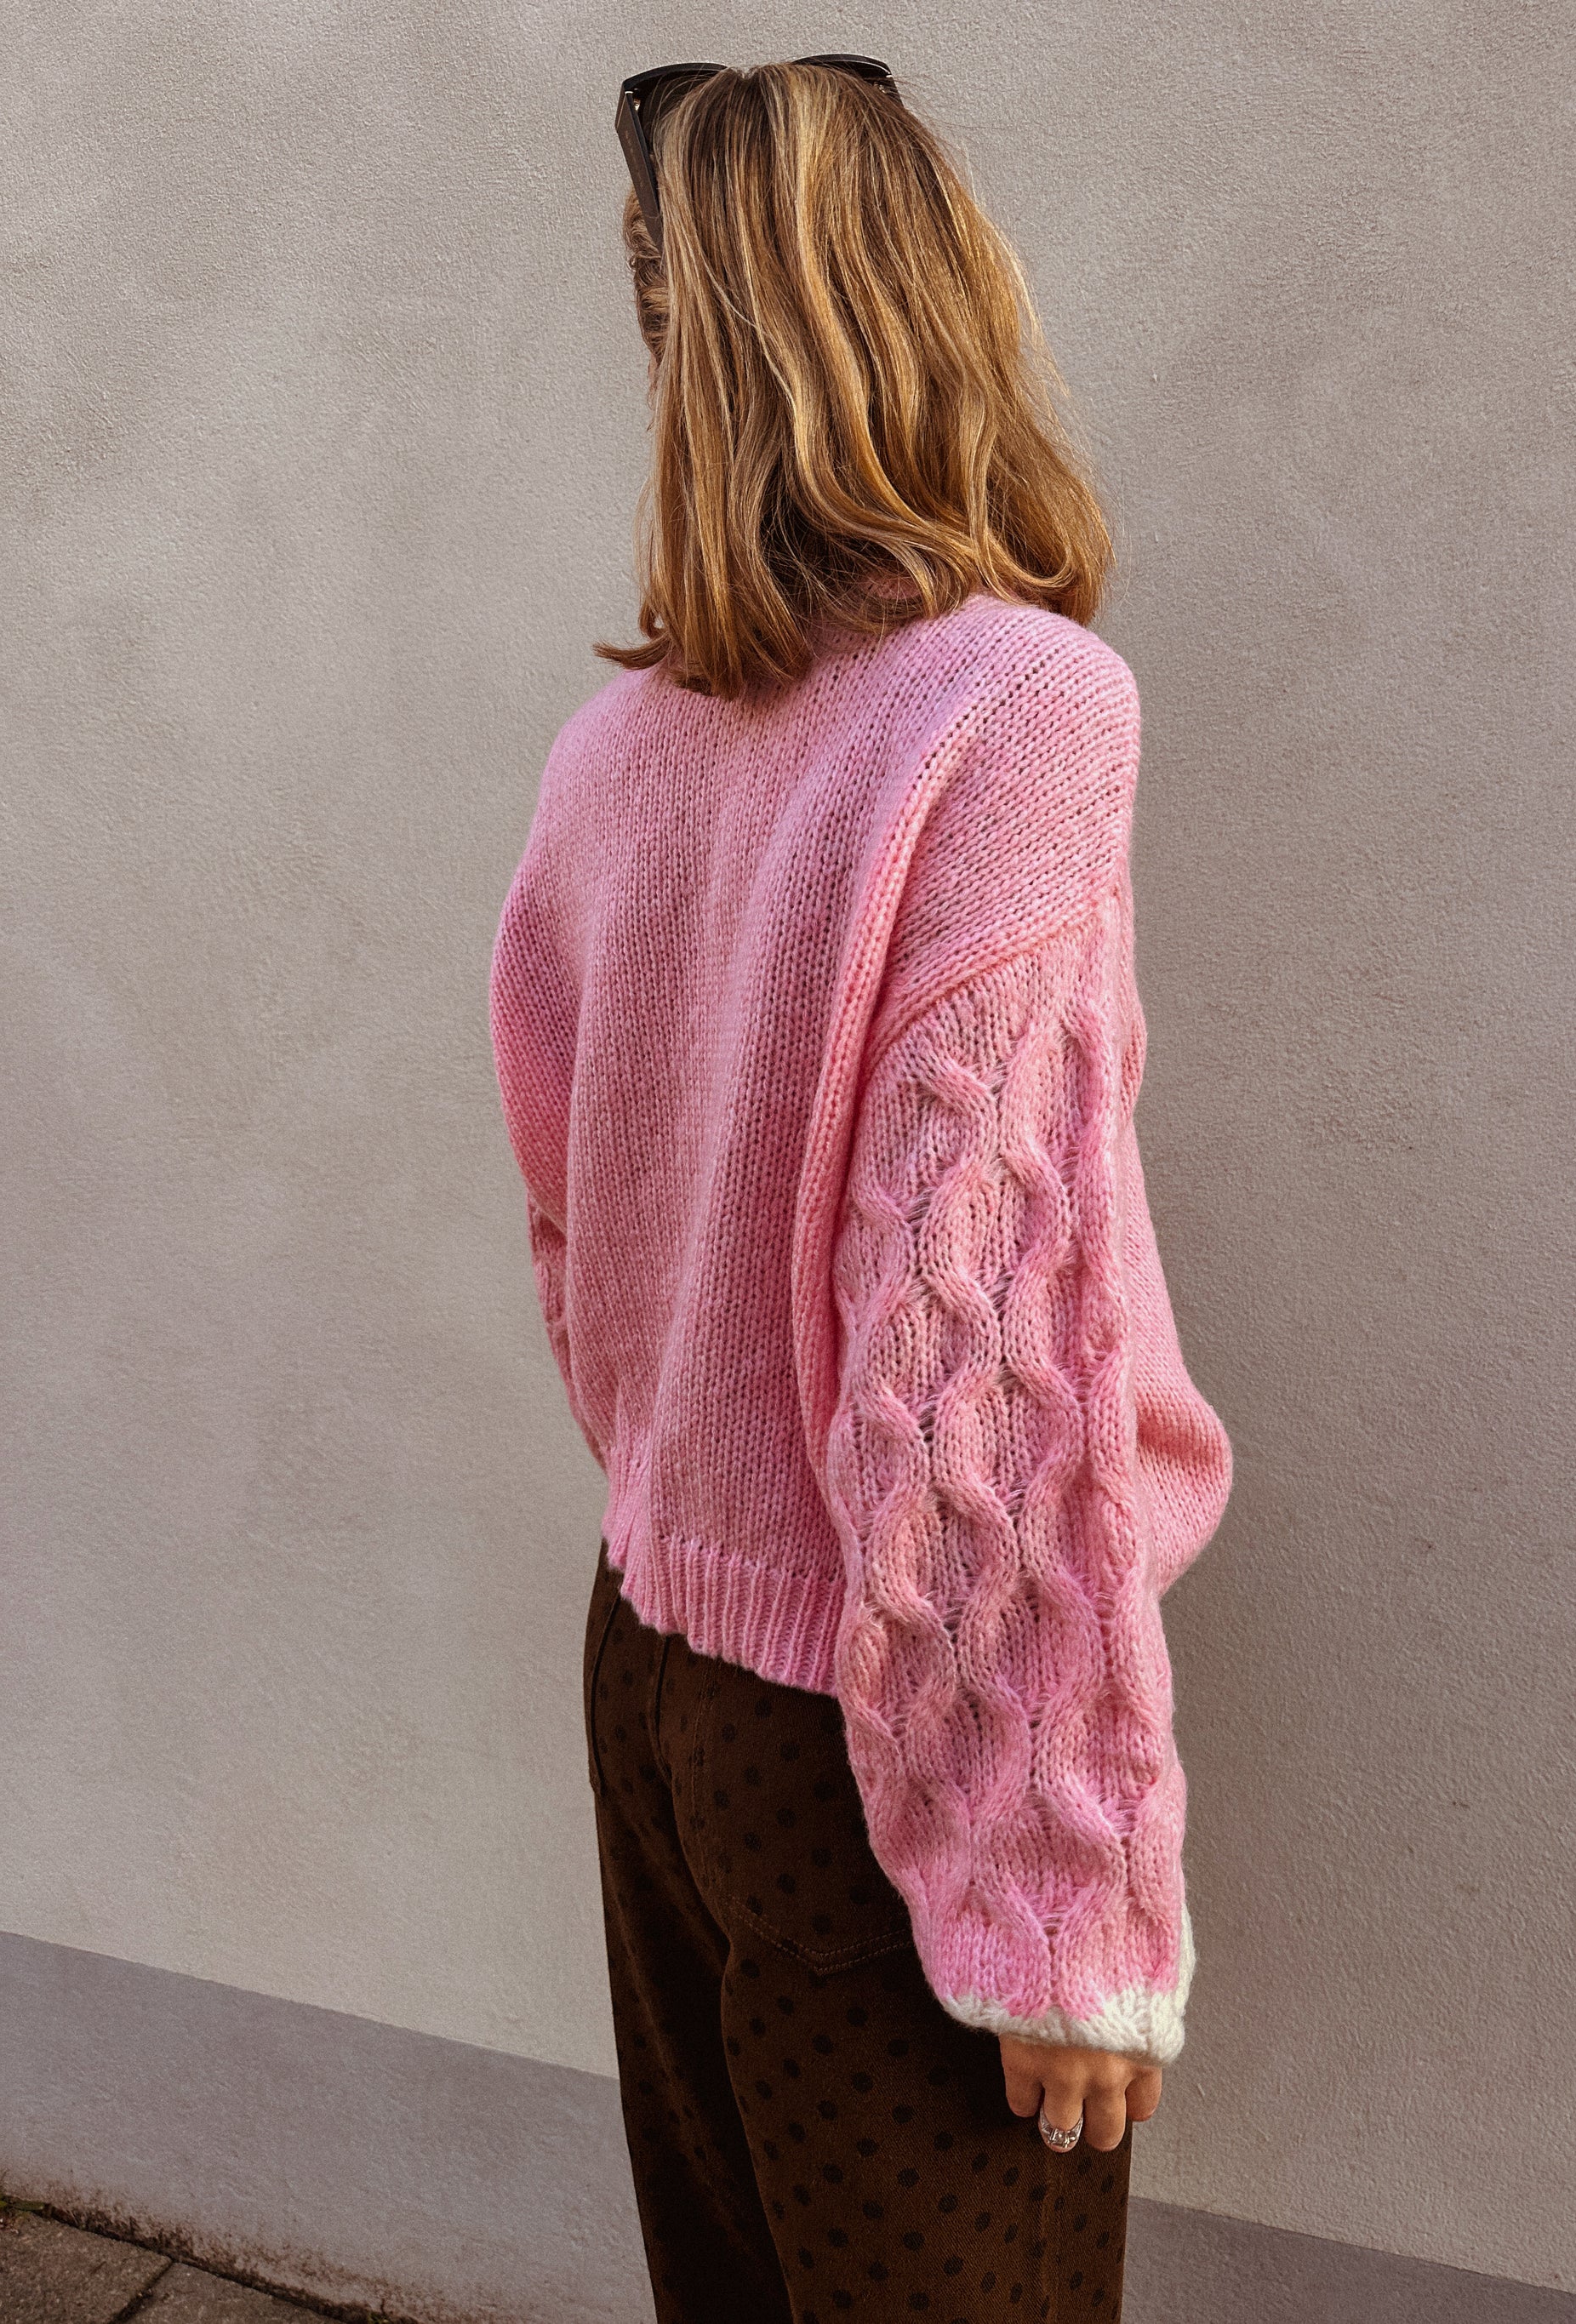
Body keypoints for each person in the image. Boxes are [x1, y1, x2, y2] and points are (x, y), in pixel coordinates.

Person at [488, 54, 1234, 2324]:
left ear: (680, 339)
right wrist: (1060, 1894)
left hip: (654, 1673)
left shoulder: (612, 751)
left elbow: (577, 1239)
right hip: (877, 1738)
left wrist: (696, 1497)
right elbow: (984, 1337)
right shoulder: (1018, 709)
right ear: (939, 294)